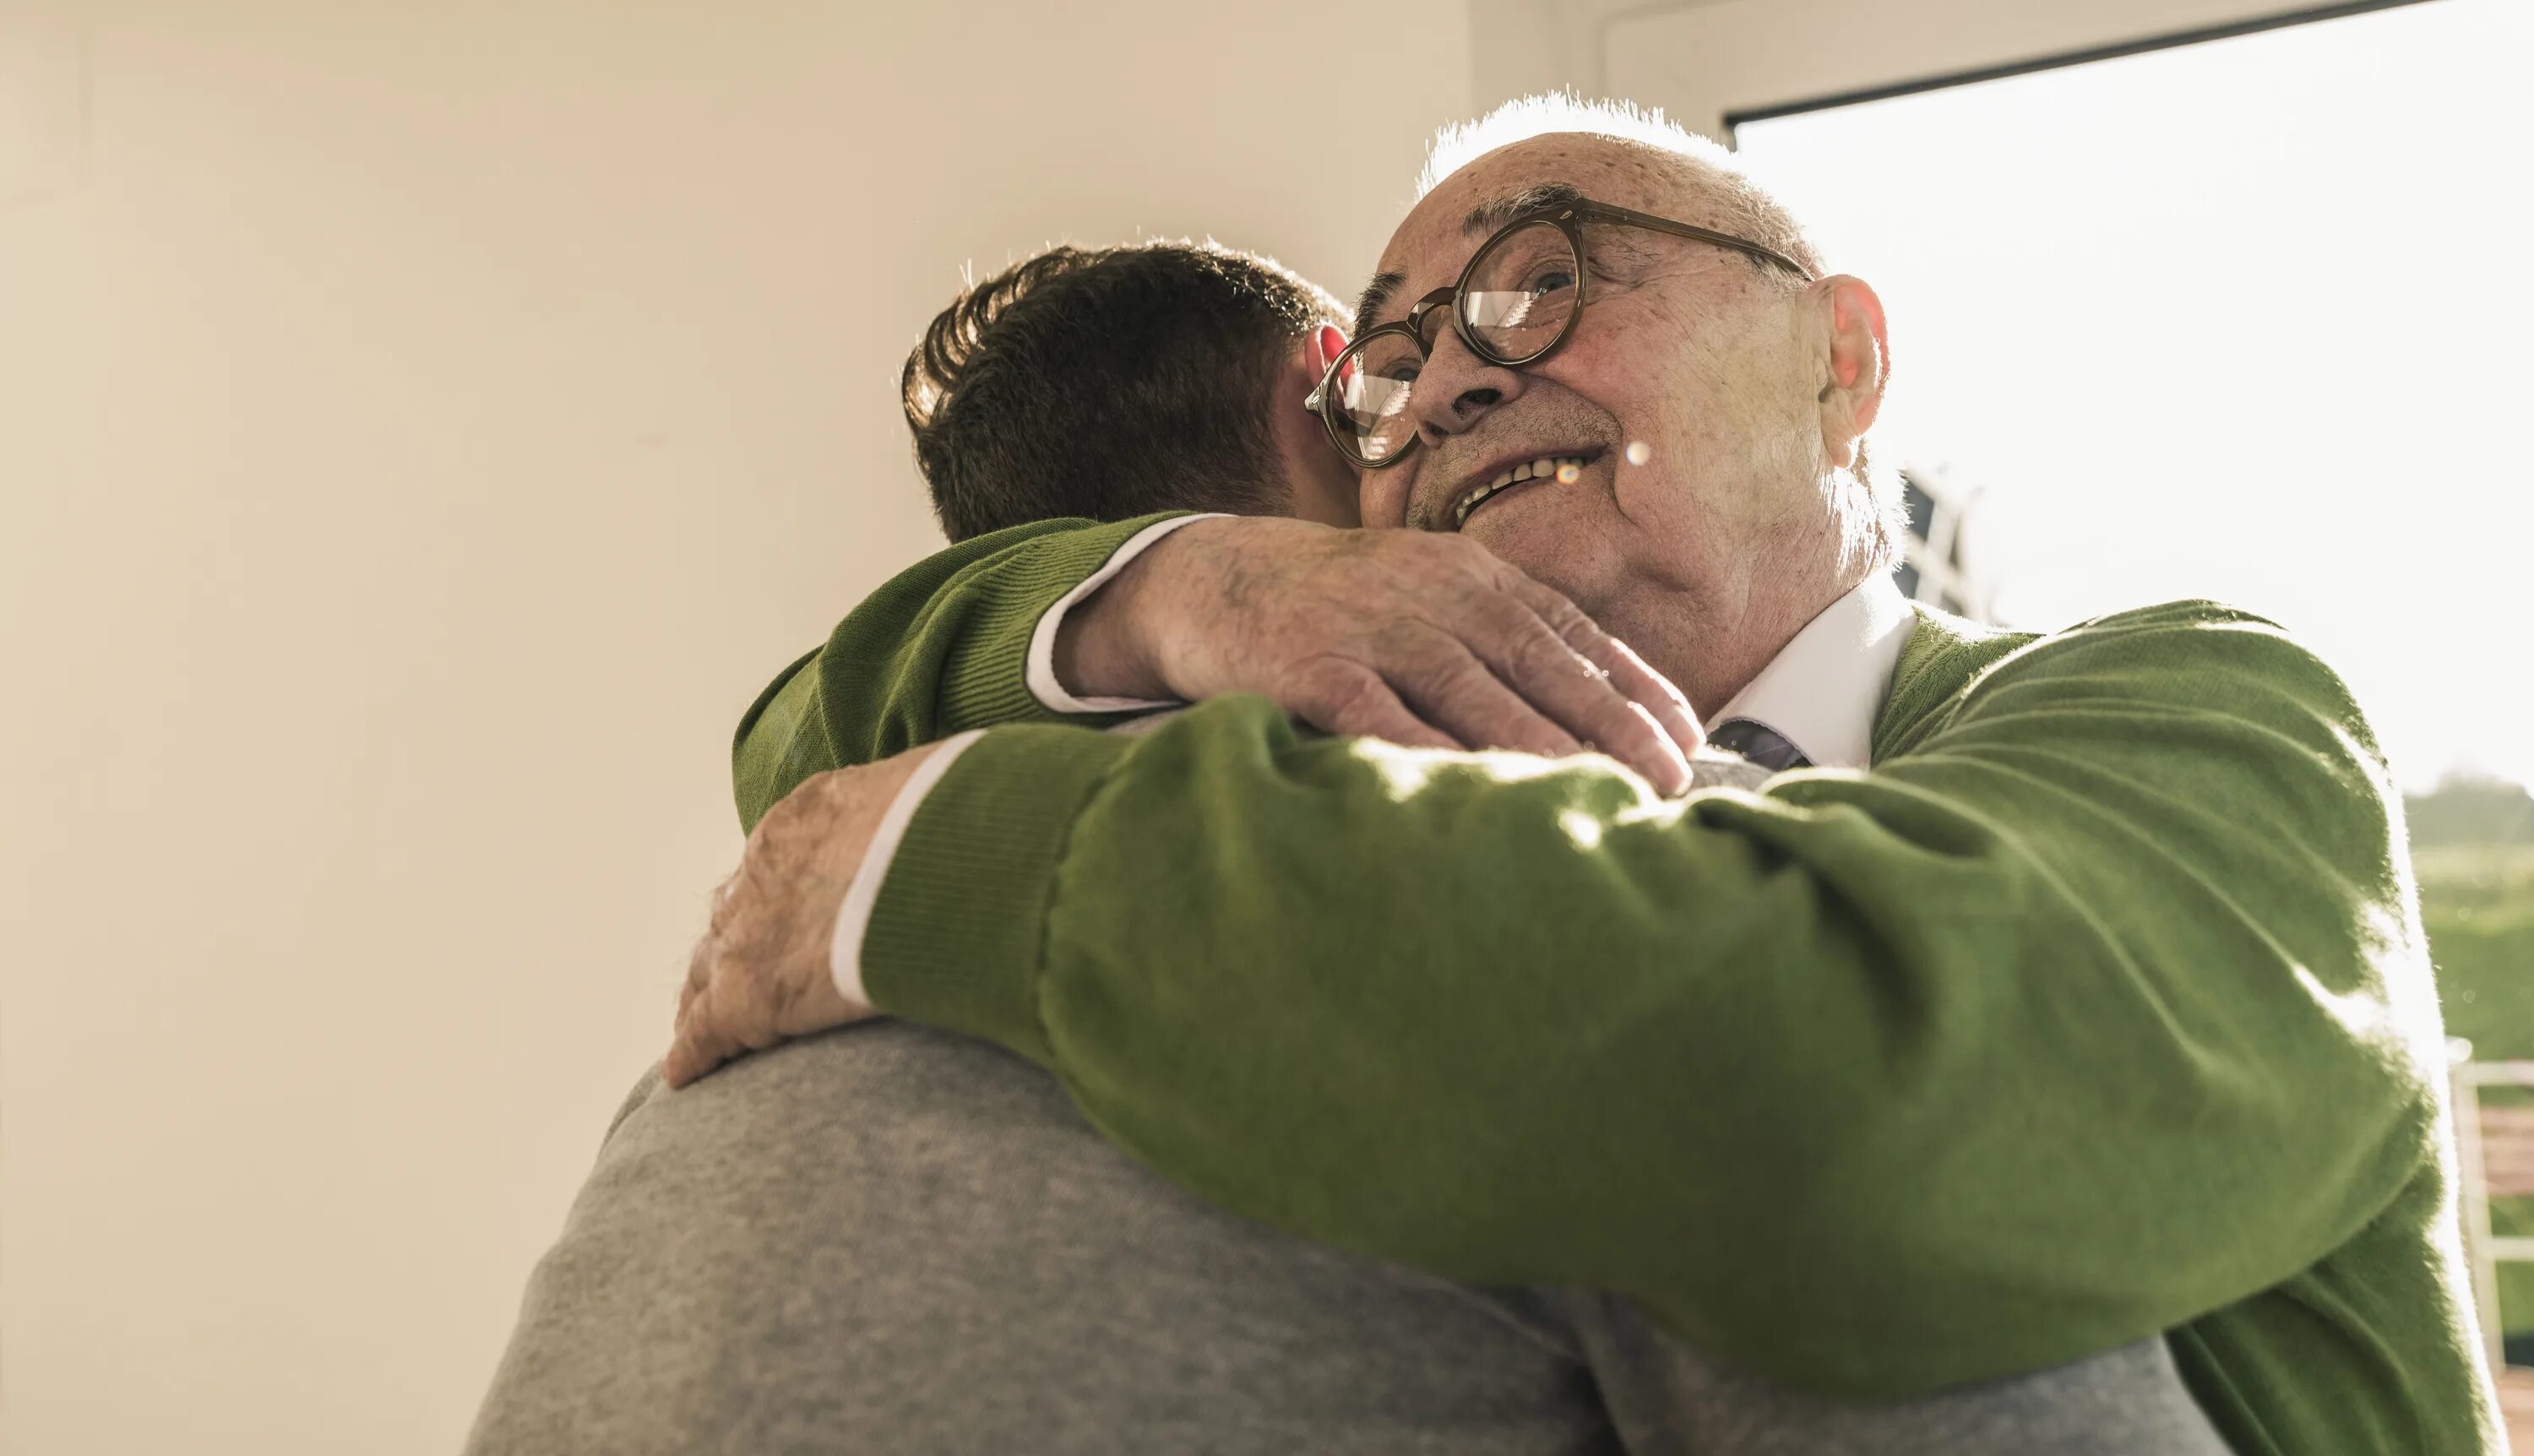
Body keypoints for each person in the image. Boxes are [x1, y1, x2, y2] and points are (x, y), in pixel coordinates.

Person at [669, 97, 2502, 1453]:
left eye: (1541, 281)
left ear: (1838, 359)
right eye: (1383, 376)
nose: (1450, 384)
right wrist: (1174, 586)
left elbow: (1845, 1099)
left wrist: (948, 846)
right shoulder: (1384, 789)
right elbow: (798, 728)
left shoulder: (2201, 704)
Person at [470, 237, 2220, 1455]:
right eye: (1414, 379)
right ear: (1339, 399)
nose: (1468, 410)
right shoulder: (1526, 907)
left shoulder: (765, 967)